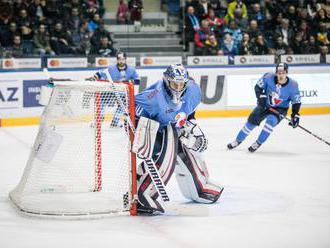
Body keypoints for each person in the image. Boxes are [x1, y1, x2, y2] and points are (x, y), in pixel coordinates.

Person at [133, 64, 223, 214]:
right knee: (166, 158)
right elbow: (132, 110)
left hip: (173, 127)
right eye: (175, 83)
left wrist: (192, 128)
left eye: (182, 84)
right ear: (166, 81)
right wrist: (141, 133)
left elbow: (189, 113)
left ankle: (199, 188)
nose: (179, 87)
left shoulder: (193, 89)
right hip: (155, 128)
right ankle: (143, 194)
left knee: (189, 153)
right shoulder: (153, 97)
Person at [227, 63, 301, 152]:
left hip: (280, 109)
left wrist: (295, 115)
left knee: (271, 122)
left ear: (287, 73)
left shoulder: (293, 85)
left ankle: (258, 142)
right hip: (265, 105)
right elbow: (258, 87)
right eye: (279, 72)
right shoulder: (268, 77)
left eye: (283, 72)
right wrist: (261, 97)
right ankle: (238, 140)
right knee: (252, 121)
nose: (281, 75)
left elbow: (296, 102)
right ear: (276, 72)